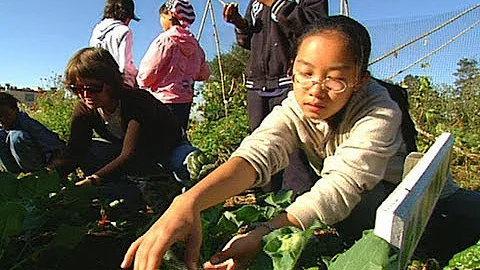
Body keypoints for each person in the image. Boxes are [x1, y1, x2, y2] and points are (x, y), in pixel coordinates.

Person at [121, 16, 480, 270]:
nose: (315, 90)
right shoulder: (295, 105)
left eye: (335, 79)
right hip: (368, 208)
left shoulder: (379, 110)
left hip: (420, 200)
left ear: (360, 80)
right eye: (305, 73)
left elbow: (342, 187)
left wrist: (263, 233)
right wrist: (188, 202)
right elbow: (257, 154)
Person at [48, 47, 195, 211]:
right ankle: (129, 193)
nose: (85, 94)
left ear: (110, 82)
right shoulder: (85, 109)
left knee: (190, 166)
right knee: (91, 150)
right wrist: (46, 177)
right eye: (77, 89)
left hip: (167, 148)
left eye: (93, 88)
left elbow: (130, 154)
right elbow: (74, 151)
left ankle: (180, 198)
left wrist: (94, 180)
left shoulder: (137, 101)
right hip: (137, 155)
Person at [223, 0, 328, 194]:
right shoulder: (255, 4)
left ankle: (298, 205)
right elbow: (248, 41)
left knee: (294, 146)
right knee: (263, 143)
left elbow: (317, 29)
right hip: (258, 82)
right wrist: (238, 23)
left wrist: (276, 3)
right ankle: (267, 202)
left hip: (291, 80)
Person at [137, 0, 210, 131]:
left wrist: (142, 82)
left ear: (169, 15)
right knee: (179, 136)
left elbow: (148, 72)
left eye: (161, 18)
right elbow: (204, 73)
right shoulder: (195, 44)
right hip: (185, 100)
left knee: (162, 138)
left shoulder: (165, 40)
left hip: (163, 100)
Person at [0, 92, 65, 174]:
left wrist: (48, 171)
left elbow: (58, 149)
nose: (2, 120)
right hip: (20, 168)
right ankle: (14, 177)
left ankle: (33, 177)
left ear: (15, 110)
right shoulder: (4, 128)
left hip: (42, 166)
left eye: (6, 115)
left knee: (16, 136)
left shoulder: (29, 125)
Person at [90, 0, 139, 87]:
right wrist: (136, 76)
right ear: (127, 16)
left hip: (98, 81)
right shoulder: (124, 31)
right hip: (118, 83)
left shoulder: (97, 30)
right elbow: (124, 65)